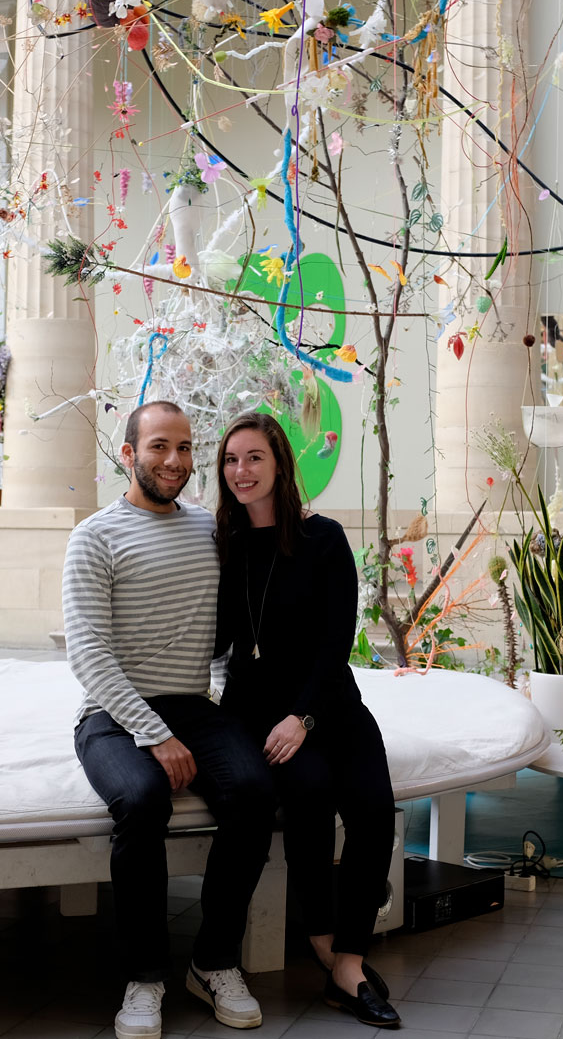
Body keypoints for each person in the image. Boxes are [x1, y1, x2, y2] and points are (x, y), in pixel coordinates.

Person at [64, 401, 276, 1039]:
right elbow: (90, 654)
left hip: (191, 706)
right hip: (110, 713)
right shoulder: (94, 536)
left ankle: (213, 962)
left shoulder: (210, 531)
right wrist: (152, 733)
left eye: (184, 448)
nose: (175, 461)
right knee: (142, 796)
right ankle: (144, 977)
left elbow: (221, 635)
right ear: (128, 454)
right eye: (159, 447)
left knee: (253, 790)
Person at [213, 411, 403, 1029]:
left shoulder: (323, 538)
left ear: (280, 465)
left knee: (374, 807)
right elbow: (216, 638)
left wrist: (303, 716)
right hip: (255, 710)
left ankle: (347, 956)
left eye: (254, 458)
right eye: (231, 460)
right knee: (310, 797)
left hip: (327, 702)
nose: (241, 472)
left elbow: (335, 640)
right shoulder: (223, 541)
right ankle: (325, 946)